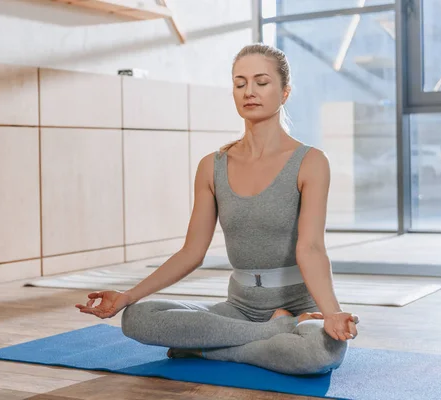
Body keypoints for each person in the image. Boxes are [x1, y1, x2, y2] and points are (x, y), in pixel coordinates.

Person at [75, 43, 359, 376]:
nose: (249, 91)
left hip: (301, 309)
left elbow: (310, 248)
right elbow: (192, 252)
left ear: (284, 92)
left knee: (322, 352)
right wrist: (127, 296)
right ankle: (273, 332)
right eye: (240, 84)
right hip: (237, 309)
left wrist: (333, 313)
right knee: (137, 318)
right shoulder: (212, 166)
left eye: (261, 82)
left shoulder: (311, 162)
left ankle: (208, 349)